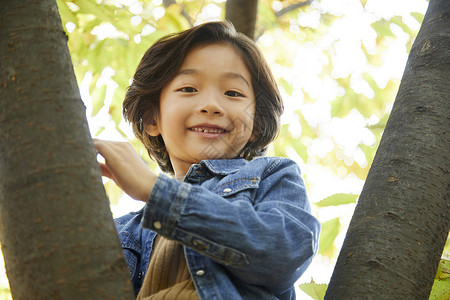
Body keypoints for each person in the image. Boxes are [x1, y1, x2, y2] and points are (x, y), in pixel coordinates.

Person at [94, 21, 320, 300]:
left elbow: (285, 254)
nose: (211, 105)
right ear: (153, 118)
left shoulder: (272, 175)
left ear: (257, 124)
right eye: (189, 89)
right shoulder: (125, 231)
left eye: (233, 93)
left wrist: (156, 193)